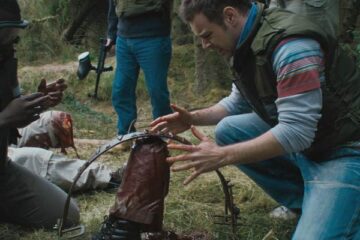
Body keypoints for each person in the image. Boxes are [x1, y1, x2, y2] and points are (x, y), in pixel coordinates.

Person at [150, 0, 360, 239]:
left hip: (345, 149)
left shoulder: (291, 47)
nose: (204, 44)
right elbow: (237, 102)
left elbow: (297, 132)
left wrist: (222, 155)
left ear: (229, 16)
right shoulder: (247, 39)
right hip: (315, 142)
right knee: (229, 130)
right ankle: (309, 200)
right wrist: (193, 118)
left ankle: (343, 207)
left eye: (207, 35)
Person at [0, 0, 79, 229]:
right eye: (4, 41)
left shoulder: (6, 62)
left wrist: (36, 100)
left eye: (14, 40)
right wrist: (4, 118)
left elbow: (10, 108)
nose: (11, 49)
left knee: (65, 215)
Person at [106, 0, 173, 143]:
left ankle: (164, 135)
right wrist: (111, 34)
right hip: (124, 37)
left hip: (153, 36)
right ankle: (125, 135)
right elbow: (113, 3)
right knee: (121, 89)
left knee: (157, 90)